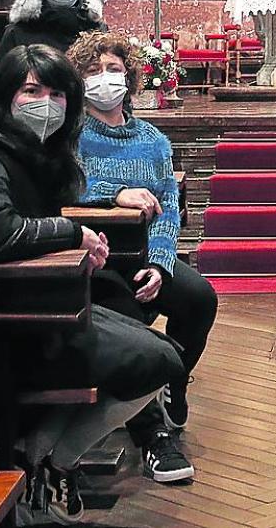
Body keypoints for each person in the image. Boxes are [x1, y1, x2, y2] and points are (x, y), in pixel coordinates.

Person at [0, 44, 183, 524]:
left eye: (57, 92)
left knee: (159, 354)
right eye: (31, 90)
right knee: (154, 359)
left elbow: (28, 221)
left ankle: (41, 458)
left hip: (32, 303)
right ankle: (41, 459)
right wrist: (71, 234)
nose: (46, 102)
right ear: (4, 95)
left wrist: (74, 249)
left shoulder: (29, 149)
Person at [66, 31, 218, 484]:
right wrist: (115, 196)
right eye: (93, 72)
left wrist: (160, 263)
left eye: (113, 70)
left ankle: (174, 377)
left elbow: (169, 208)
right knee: (127, 319)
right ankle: (152, 435)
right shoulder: (68, 135)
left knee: (200, 299)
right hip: (95, 261)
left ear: (130, 78)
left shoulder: (152, 139)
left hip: (144, 256)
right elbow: (65, 193)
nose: (104, 79)